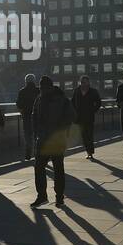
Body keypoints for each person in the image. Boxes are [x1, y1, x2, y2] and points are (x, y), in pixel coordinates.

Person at [31, 76, 74, 208]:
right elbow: (34, 116)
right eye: (41, 87)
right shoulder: (39, 98)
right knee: (40, 167)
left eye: (44, 87)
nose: (42, 90)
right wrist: (36, 133)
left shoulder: (61, 99)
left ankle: (58, 197)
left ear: (50, 87)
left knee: (57, 168)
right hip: (43, 139)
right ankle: (43, 196)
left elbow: (71, 115)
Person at [72, 76, 102, 159]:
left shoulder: (93, 91)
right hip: (79, 118)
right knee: (84, 136)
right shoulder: (77, 91)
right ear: (80, 82)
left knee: (89, 135)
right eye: (82, 82)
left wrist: (93, 110)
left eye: (85, 82)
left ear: (88, 82)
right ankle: (88, 151)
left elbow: (99, 102)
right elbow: (73, 102)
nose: (83, 84)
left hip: (89, 117)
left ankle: (90, 153)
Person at [16, 74, 40, 161]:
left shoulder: (22, 91)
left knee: (27, 135)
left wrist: (22, 110)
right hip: (38, 116)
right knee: (37, 135)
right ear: (34, 81)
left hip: (26, 116)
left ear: (26, 81)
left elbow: (18, 104)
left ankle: (28, 153)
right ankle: (37, 153)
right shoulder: (39, 90)